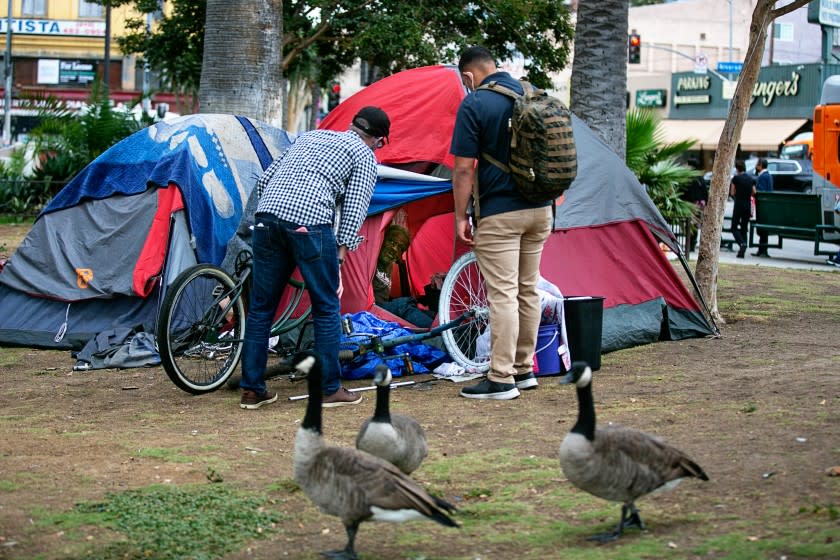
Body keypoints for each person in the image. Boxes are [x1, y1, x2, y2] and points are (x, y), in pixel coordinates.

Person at [238, 106, 391, 409]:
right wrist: (343, 250)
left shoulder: (311, 136)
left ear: (352, 125)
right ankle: (329, 388)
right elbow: (356, 206)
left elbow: (267, 177)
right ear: (377, 139)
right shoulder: (363, 155)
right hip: (309, 224)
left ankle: (252, 389)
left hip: (267, 218)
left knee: (260, 308)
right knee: (325, 307)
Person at [449, 46, 553, 400]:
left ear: (468, 76)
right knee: (528, 290)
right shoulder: (533, 93)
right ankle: (524, 370)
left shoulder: (475, 104)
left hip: (501, 215)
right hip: (541, 210)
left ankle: (501, 378)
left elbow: (463, 169)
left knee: (503, 294)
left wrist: (460, 216)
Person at [372, 220, 436, 328]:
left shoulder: (390, 263)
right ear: (382, 240)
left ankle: (447, 326)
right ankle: (439, 332)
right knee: (404, 305)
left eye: (400, 248)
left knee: (426, 311)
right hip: (372, 308)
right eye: (391, 242)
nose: (394, 249)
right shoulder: (372, 256)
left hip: (384, 306)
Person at [729, 160, 756, 259]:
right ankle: (743, 247)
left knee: (734, 227)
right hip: (747, 204)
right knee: (744, 227)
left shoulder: (736, 179)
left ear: (737, 169)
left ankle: (742, 243)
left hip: (739, 203)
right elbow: (754, 192)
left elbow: (732, 192)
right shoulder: (750, 178)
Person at [752, 158, 774, 257]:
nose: (756, 166)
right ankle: (762, 250)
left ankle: (762, 250)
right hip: (768, 205)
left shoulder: (762, 177)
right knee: (763, 228)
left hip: (763, 206)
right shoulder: (768, 176)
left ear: (760, 165)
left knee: (761, 227)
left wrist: (754, 190)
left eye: (757, 164)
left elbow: (760, 192)